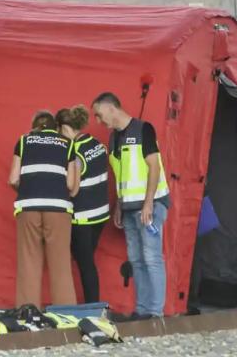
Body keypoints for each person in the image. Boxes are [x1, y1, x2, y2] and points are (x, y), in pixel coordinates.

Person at [92, 92, 169, 319]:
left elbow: (154, 167)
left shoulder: (144, 129)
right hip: (128, 208)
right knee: (136, 259)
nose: (98, 120)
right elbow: (121, 175)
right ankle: (142, 309)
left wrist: (148, 204)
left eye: (99, 114)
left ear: (111, 108)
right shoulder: (114, 138)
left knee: (152, 257)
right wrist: (118, 206)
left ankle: (155, 312)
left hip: (150, 205)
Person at [9, 110, 79, 308]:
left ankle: (27, 315)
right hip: (58, 208)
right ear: (55, 128)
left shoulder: (23, 142)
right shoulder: (67, 144)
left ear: (34, 126)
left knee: (28, 262)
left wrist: (27, 188)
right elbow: (70, 184)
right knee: (61, 264)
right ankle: (66, 315)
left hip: (28, 206)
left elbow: (13, 178)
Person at [56, 105, 109, 303]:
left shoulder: (75, 152)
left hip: (83, 217)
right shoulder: (96, 143)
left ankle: (92, 307)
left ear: (65, 129)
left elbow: (72, 187)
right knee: (86, 261)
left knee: (86, 264)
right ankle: (92, 305)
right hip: (101, 214)